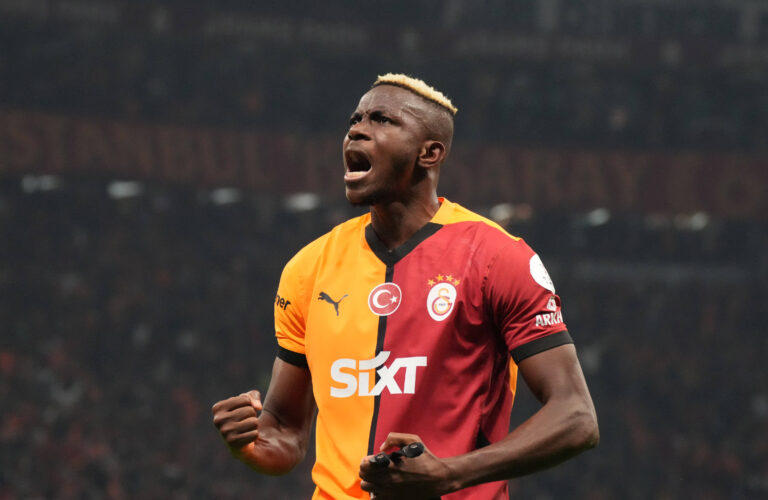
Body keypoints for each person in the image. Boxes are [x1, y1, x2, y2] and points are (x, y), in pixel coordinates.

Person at [212, 73, 599, 499]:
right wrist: (250, 442)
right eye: (355, 119)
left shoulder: (496, 257)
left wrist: (451, 473)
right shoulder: (308, 269)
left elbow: (576, 416)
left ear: (429, 153)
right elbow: (285, 432)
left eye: (382, 120)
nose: (357, 129)